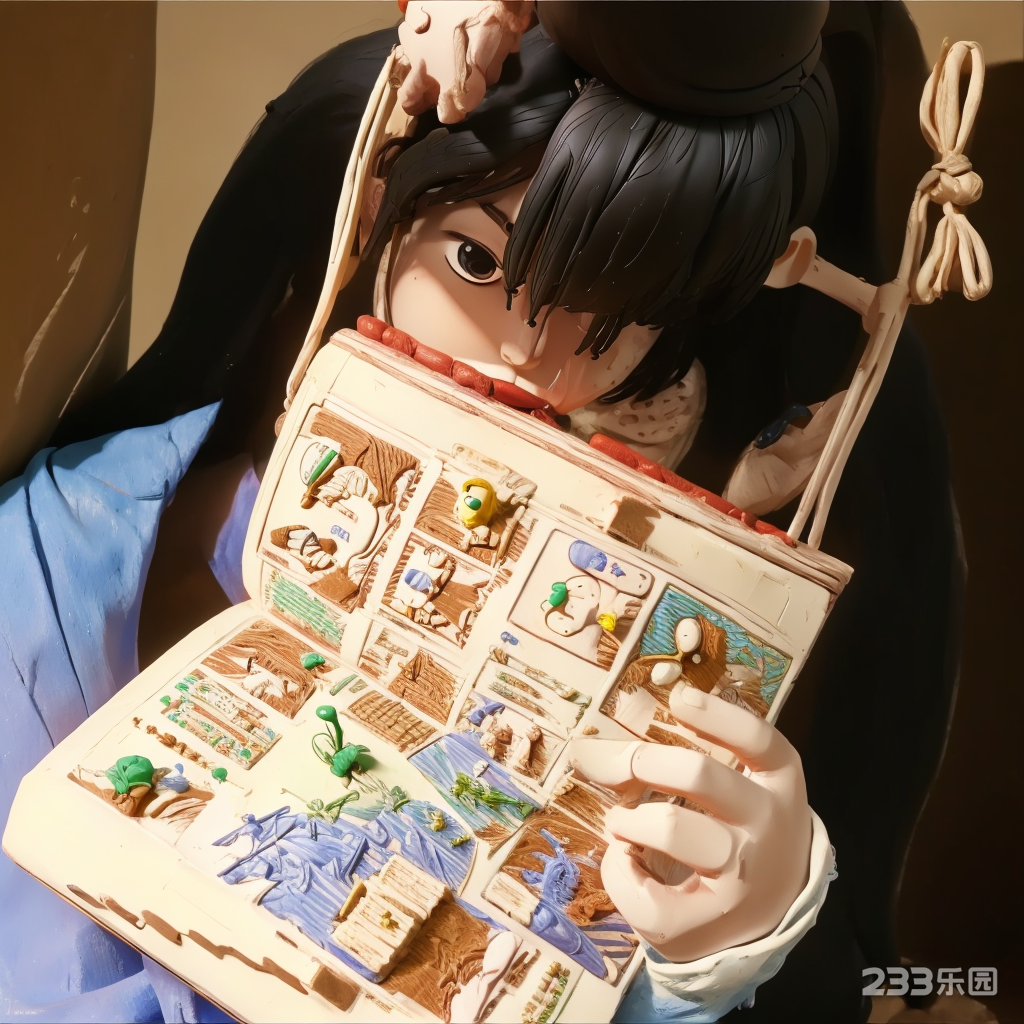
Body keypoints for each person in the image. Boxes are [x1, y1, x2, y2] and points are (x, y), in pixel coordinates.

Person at [2, 4, 968, 1022]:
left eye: (628, 317)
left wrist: (717, 960)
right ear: (372, 206)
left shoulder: (605, 649)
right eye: (477, 261)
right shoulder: (60, 558)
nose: (534, 359)